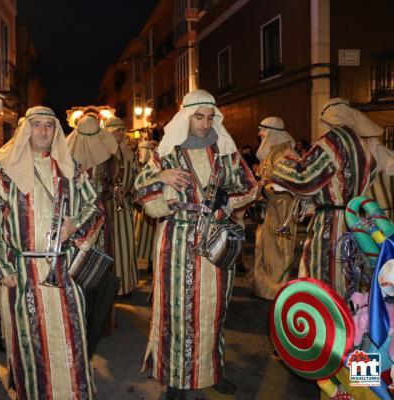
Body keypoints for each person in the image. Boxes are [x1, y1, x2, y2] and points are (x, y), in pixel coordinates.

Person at [134, 90, 258, 399]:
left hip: (216, 241)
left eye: (209, 117)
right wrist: (162, 178)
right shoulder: (166, 154)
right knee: (177, 312)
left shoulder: (226, 152)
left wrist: (225, 202)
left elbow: (250, 187)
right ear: (186, 117)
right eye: (198, 117)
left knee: (214, 311)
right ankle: (176, 378)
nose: (204, 124)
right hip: (177, 242)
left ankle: (212, 371)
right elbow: (141, 194)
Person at [0, 106, 102, 399]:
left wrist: (74, 224)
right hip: (21, 273)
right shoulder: (2, 172)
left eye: (49, 126)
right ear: (27, 129)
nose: (44, 131)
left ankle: (72, 392)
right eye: (37, 125)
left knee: (69, 337)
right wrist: (2, 268)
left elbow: (95, 206)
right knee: (28, 342)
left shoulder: (70, 169)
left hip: (63, 270)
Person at [271, 98, 382, 296]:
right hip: (356, 223)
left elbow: (305, 177)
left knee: (325, 279)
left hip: (331, 225)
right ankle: (350, 322)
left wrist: (283, 162)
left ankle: (329, 325)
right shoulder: (366, 145)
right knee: (351, 278)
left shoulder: (333, 140)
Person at [66, 113, 119, 356]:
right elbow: (109, 187)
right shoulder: (108, 159)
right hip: (100, 218)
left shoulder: (67, 157)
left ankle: (77, 322)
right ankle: (102, 321)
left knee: (77, 270)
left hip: (75, 222)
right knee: (100, 267)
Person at [250, 117, 298, 299]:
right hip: (270, 208)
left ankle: (277, 290)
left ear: (272, 132)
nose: (260, 133)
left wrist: (264, 189)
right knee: (265, 247)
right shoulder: (273, 152)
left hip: (283, 209)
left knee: (280, 249)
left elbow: (290, 183)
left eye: (262, 130)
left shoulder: (285, 153)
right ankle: (265, 288)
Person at [103, 116, 139, 296]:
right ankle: (109, 287)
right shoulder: (102, 152)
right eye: (116, 130)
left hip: (123, 207)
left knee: (126, 245)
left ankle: (126, 285)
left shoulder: (129, 154)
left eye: (122, 130)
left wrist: (128, 189)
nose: (119, 133)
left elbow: (138, 178)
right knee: (109, 246)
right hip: (106, 206)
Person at [134, 140, 158, 270]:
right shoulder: (140, 165)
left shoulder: (152, 166)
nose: (140, 153)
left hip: (153, 206)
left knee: (152, 235)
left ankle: (152, 262)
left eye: (142, 150)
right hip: (144, 208)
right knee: (145, 237)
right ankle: (149, 262)